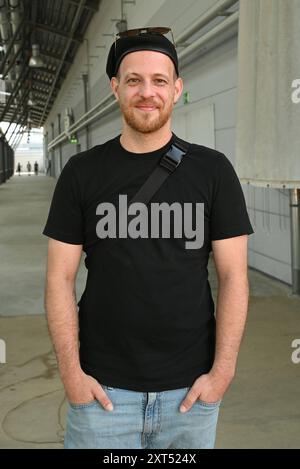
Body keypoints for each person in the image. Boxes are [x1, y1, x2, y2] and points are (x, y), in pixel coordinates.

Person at [43, 27, 254, 449]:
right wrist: (71, 374)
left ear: (176, 90)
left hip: (190, 395)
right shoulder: (82, 173)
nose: (147, 92)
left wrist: (222, 373)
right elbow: (58, 278)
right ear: (115, 88)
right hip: (102, 394)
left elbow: (234, 277)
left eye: (159, 81)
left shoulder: (213, 171)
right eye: (134, 80)